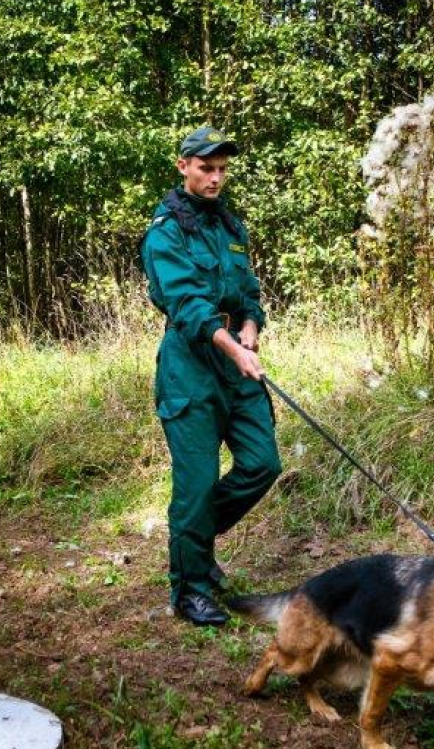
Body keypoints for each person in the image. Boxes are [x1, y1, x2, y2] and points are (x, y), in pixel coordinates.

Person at [140, 126, 282, 626]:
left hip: (236, 361)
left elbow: (249, 293)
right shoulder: (165, 231)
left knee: (263, 463)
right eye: (206, 168)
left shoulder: (230, 227)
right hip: (191, 367)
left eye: (222, 169)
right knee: (197, 484)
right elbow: (185, 304)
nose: (216, 177)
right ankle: (189, 589)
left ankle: (193, 545)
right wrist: (228, 346)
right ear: (183, 166)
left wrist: (249, 328)